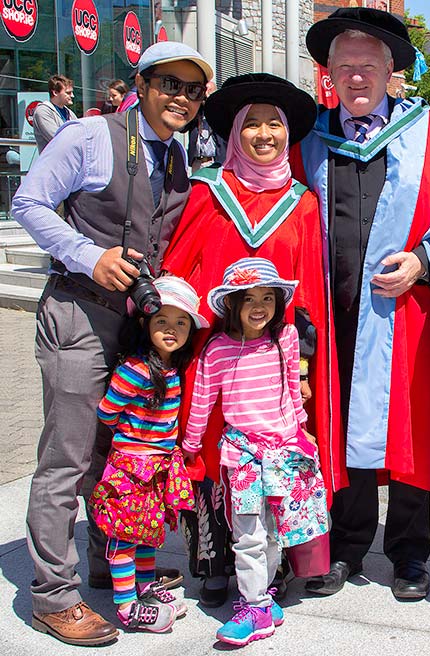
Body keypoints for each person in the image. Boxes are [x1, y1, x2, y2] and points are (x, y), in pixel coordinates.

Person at [12, 41, 211, 646]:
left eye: (192, 90)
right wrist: (87, 254)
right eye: (169, 84)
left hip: (130, 329)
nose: (181, 98)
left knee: (113, 455)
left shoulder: (176, 156)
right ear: (142, 84)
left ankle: (107, 561)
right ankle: (52, 593)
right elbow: (28, 202)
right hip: (77, 311)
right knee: (66, 460)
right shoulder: (90, 136)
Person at [294, 7, 430, 600]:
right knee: (335, 423)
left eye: (367, 66)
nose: (355, 77)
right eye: (344, 66)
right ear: (330, 73)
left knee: (407, 428)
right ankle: (346, 547)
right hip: (330, 312)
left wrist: (424, 262)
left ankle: (408, 555)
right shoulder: (309, 139)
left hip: (407, 313)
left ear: (390, 70)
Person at [162, 73, 332, 608]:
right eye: (252, 124)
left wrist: (301, 366)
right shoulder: (208, 191)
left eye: (275, 124)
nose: (265, 134)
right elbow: (178, 267)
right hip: (214, 353)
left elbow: (306, 293)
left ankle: (275, 564)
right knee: (212, 452)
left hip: (271, 358)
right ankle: (214, 558)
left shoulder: (303, 203)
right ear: (235, 133)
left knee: (273, 457)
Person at [183, 257, 328, 646]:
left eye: (268, 297)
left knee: (275, 534)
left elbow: (292, 392)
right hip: (243, 456)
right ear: (232, 304)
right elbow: (201, 400)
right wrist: (191, 445)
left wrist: (302, 430)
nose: (260, 307)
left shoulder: (285, 338)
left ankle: (262, 599)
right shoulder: (217, 349)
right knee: (248, 533)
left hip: (283, 453)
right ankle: (254, 607)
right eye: (249, 299)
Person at [89, 277, 208, 632]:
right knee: (125, 537)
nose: (171, 329)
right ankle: (127, 606)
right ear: (145, 324)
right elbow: (107, 411)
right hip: (130, 469)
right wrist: (133, 442)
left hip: (157, 468)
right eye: (162, 321)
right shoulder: (136, 370)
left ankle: (145, 588)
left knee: (147, 533)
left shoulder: (172, 370)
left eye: (181, 322)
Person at [187, 81, 226, 172]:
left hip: (215, 162)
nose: (205, 97)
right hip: (197, 162)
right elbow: (182, 128)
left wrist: (212, 102)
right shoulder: (196, 113)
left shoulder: (220, 113)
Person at [33, 75, 77, 152]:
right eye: (68, 93)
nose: (72, 96)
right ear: (55, 92)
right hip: (53, 163)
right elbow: (57, 139)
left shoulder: (69, 113)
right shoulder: (43, 111)